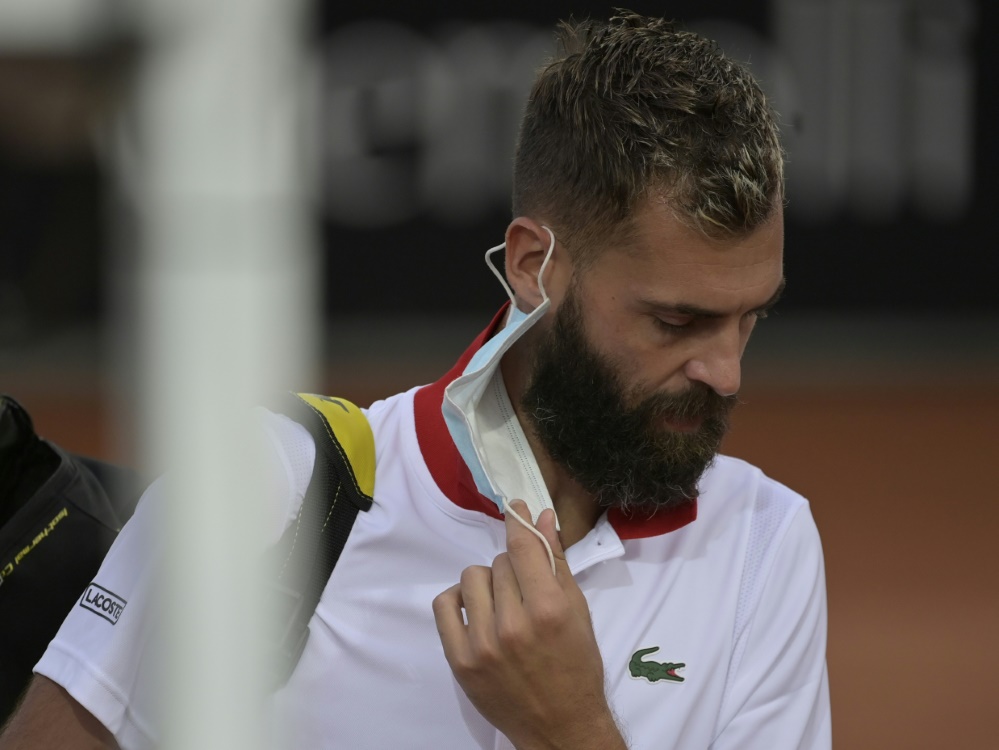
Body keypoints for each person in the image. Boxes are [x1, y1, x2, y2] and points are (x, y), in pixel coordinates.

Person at [0, 11, 830, 749]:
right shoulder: (267, 486)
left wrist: (567, 728)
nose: (724, 374)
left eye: (751, 317)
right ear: (535, 267)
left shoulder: (764, 541)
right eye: (676, 323)